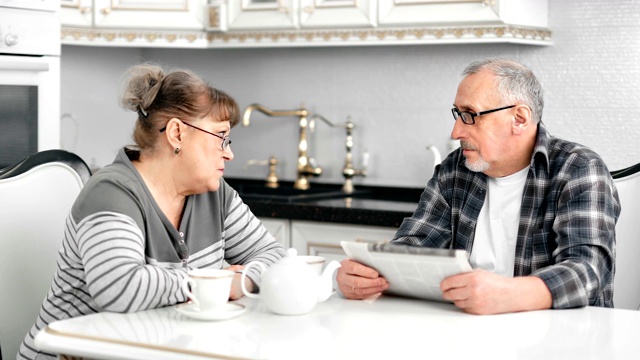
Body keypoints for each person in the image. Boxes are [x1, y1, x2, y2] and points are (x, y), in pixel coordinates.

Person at [19, 63, 286, 359]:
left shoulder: (215, 193)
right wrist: (216, 282)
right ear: (177, 133)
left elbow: (275, 258)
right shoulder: (111, 193)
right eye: (221, 136)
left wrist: (239, 280)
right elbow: (119, 287)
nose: (229, 152)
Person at [337, 58, 620, 315]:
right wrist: (369, 274)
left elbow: (588, 271)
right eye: (457, 114)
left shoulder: (579, 168)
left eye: (470, 115)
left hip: (564, 340)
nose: (456, 131)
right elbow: (414, 246)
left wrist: (509, 295)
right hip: (465, 331)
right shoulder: (456, 168)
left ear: (519, 119)